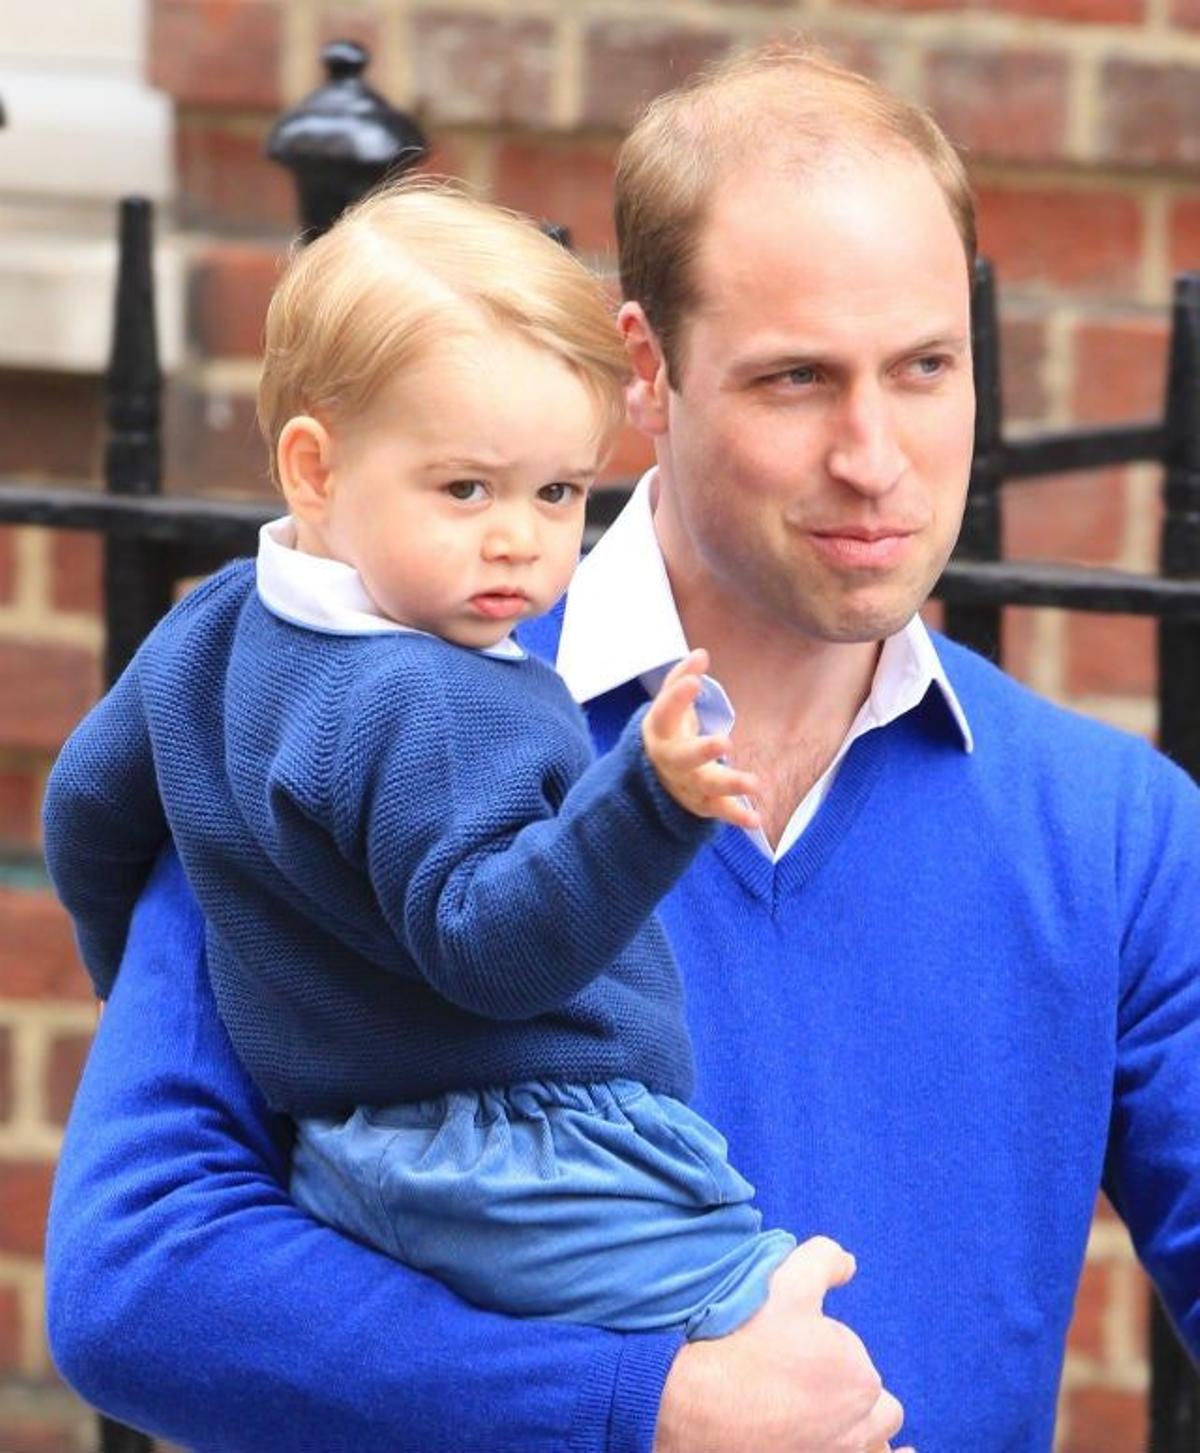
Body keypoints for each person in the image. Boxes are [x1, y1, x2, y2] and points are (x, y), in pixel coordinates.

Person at [45, 37, 1200, 1453]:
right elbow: (139, 1278)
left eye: (925, 366)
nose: (875, 454)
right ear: (645, 371)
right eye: (795, 380)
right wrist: (647, 1408)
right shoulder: (344, 707)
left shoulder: (1113, 826)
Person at [42, 180, 801, 1342]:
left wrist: (136, 964)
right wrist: (648, 802)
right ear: (314, 469)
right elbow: (490, 951)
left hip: (347, 1158)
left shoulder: (212, 629)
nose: (519, 537)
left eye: (557, 491)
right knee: (791, 1367)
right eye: (465, 488)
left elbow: (87, 812)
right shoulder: (445, 695)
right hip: (537, 1152)